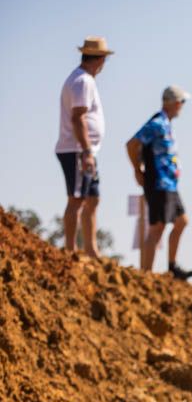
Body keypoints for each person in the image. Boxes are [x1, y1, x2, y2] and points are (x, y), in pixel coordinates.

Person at [126, 85, 192, 279]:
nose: (182, 106)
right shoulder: (156, 124)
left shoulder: (166, 124)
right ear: (173, 103)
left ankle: (173, 266)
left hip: (170, 184)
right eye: (181, 102)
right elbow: (132, 144)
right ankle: (146, 275)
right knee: (157, 227)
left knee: (181, 221)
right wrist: (137, 170)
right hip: (158, 183)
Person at [56, 36, 112, 258]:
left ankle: (91, 248)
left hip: (85, 150)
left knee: (92, 197)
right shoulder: (82, 81)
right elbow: (78, 118)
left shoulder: (83, 80)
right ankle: (70, 250)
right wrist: (86, 151)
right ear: (99, 59)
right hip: (78, 150)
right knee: (77, 199)